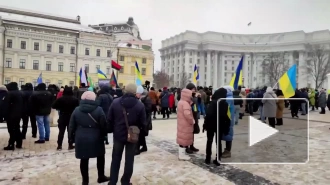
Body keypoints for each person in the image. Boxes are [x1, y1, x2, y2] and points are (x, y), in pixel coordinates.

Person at [107, 83, 146, 185]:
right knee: (129, 160)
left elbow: (109, 119)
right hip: (132, 136)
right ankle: (125, 181)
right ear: (135, 92)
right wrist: (142, 133)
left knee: (115, 158)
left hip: (118, 135)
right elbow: (143, 123)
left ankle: (112, 181)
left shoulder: (115, 102)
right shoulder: (140, 105)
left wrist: (112, 129)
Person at [69, 91, 109, 185]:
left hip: (81, 137)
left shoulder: (77, 110)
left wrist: (71, 138)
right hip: (96, 137)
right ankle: (101, 176)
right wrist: (104, 135)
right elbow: (103, 125)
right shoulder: (99, 110)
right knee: (100, 157)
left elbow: (71, 125)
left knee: (84, 159)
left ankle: (85, 181)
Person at [203, 88, 230, 166]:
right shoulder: (225, 104)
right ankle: (218, 159)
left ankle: (208, 158)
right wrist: (227, 127)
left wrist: (205, 124)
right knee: (218, 143)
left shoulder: (213, 103)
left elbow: (208, 114)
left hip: (211, 125)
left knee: (209, 141)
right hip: (220, 126)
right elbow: (227, 117)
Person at [3, 82, 23, 150]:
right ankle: (19, 143)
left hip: (11, 114)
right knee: (17, 128)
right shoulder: (20, 93)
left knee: (11, 130)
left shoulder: (9, 94)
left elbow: (6, 105)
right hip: (18, 114)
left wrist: (4, 115)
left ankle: (11, 144)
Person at [176, 88, 194, 160]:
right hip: (185, 125)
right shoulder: (185, 104)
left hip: (181, 124)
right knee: (184, 140)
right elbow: (187, 114)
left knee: (182, 139)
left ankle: (181, 154)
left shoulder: (181, 102)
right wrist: (192, 121)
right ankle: (182, 155)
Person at [136, 87, 152, 155]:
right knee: (141, 134)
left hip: (145, 119)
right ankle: (144, 147)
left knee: (140, 133)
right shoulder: (142, 99)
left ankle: (137, 149)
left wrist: (141, 105)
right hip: (143, 119)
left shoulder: (146, 99)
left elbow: (148, 109)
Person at [221, 86, 235, 158]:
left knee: (228, 135)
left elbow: (226, 109)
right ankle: (227, 150)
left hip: (228, 119)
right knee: (228, 134)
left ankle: (227, 151)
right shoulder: (230, 97)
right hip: (230, 118)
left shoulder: (228, 99)